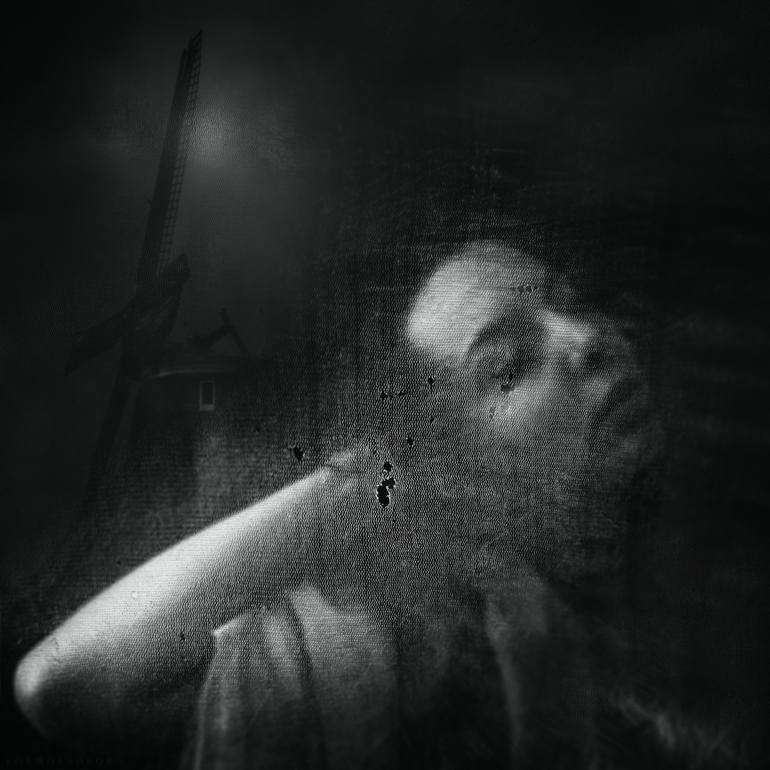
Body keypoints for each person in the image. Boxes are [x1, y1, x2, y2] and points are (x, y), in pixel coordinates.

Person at [14, 241, 661, 768]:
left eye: (568, 301)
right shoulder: (376, 652)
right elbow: (64, 685)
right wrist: (364, 477)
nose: (588, 338)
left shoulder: (601, 630)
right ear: (452, 459)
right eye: (507, 368)